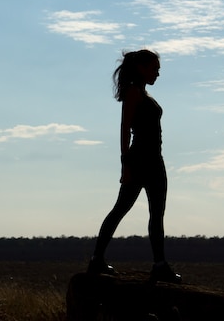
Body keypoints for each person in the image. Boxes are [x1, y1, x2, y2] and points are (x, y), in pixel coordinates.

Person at [87, 49, 181, 284]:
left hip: (155, 161)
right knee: (120, 209)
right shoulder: (132, 92)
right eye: (154, 69)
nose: (157, 74)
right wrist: (125, 165)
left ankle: (159, 265)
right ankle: (96, 259)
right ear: (141, 68)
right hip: (139, 161)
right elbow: (124, 129)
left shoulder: (143, 93)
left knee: (157, 214)